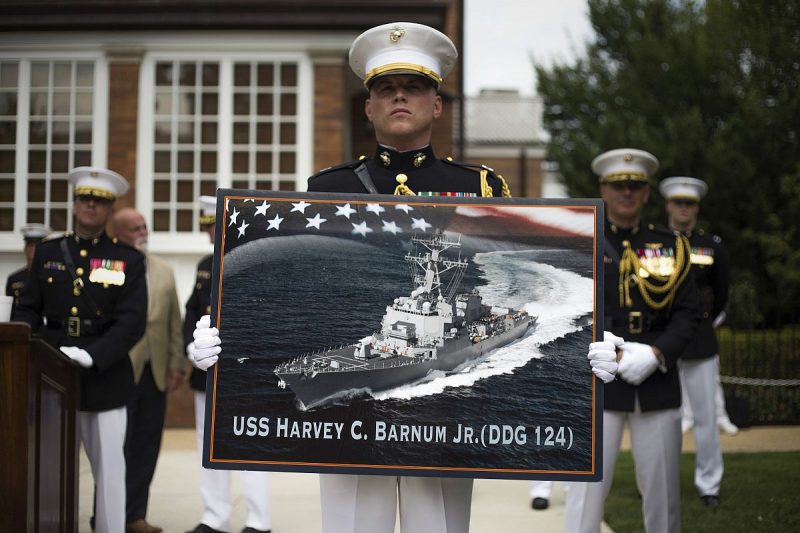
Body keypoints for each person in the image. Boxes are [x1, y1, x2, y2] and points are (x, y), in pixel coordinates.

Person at [189, 22, 618, 533]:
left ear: (437, 105)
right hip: (357, 429)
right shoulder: (330, 187)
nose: (399, 97)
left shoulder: (477, 186)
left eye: (414, 88)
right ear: (368, 107)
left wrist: (588, 352)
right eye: (385, 90)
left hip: (449, 418)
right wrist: (223, 336)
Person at [564, 149, 700, 533]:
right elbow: (566, 306)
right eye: (619, 185)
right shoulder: (581, 241)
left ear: (646, 193)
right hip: (597, 380)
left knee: (663, 497)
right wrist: (604, 342)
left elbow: (690, 313)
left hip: (654, 382)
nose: (627, 192)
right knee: (584, 498)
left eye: (635, 186)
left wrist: (657, 353)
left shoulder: (672, 246)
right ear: (603, 189)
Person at [12, 166, 147, 533]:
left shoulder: (128, 260)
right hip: (49, 373)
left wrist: (93, 355)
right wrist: (36, 352)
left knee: (109, 473)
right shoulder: (47, 253)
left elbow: (132, 321)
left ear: (109, 210)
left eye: (100, 201)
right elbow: (26, 310)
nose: (91, 206)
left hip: (105, 376)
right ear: (73, 206)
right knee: (48, 466)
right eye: (85, 199)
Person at [184, 195, 272, 533]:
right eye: (207, 228)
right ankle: (215, 517)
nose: (211, 234)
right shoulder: (205, 265)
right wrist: (192, 349)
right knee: (207, 446)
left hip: (245, 373)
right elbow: (192, 315)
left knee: (250, 444)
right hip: (208, 372)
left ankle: (259, 521)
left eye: (215, 227)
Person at [111, 208, 187, 532]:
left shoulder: (164, 270)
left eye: (144, 225)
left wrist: (176, 365)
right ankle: (107, 515)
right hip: (118, 371)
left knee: (145, 446)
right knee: (114, 449)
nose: (143, 231)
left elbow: (173, 322)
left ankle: (135, 516)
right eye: (134, 227)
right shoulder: (107, 268)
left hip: (154, 373)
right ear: (117, 235)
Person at [659, 176, 730, 506]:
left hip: (700, 341)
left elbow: (721, 293)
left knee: (705, 418)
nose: (683, 209)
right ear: (668, 205)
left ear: (696, 208)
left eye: (689, 204)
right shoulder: (655, 243)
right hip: (663, 339)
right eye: (678, 203)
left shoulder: (711, 245)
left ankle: (709, 484)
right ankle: (663, 481)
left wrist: (702, 322)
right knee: (664, 419)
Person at [5, 223, 52, 311]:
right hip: (22, 323)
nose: (32, 249)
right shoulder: (14, 279)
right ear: (25, 249)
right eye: (30, 245)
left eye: (36, 246)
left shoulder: (52, 276)